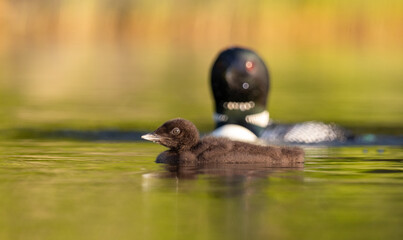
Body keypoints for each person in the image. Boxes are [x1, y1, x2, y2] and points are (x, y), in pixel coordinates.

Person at [210, 47, 351, 144]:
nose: (228, 74)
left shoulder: (296, 138)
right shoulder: (205, 141)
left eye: (249, 66)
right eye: (222, 67)